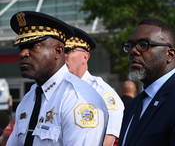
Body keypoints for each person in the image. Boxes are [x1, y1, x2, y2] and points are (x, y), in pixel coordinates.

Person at [7, 11, 108, 146]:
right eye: (21, 47)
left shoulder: (79, 100)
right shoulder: (29, 97)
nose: (23, 54)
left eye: (33, 46)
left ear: (58, 51)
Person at [118, 17, 175, 146]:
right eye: (130, 46)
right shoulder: (134, 104)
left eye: (143, 45)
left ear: (170, 55)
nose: (133, 51)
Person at [64, 26, 124, 146]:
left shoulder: (103, 92)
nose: (62, 56)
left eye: (68, 51)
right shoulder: (56, 90)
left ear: (85, 57)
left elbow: (108, 140)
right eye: (60, 51)